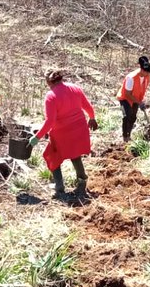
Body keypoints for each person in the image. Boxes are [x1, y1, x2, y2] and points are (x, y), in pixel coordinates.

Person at [29, 69, 98, 198]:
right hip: (80, 129)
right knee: (75, 155)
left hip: (63, 133)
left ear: (48, 81)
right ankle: (82, 183)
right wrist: (92, 118)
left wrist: (37, 137)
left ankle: (59, 187)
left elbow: (50, 121)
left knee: (51, 155)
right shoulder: (75, 88)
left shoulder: (51, 96)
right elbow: (88, 106)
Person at [116, 55, 150, 143]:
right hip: (125, 98)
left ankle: (129, 135)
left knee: (133, 117)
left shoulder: (146, 77)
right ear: (142, 70)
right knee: (127, 116)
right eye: (146, 72)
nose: (147, 74)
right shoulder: (131, 78)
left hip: (136, 98)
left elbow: (142, 89)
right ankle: (125, 137)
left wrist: (141, 101)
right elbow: (127, 94)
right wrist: (139, 102)